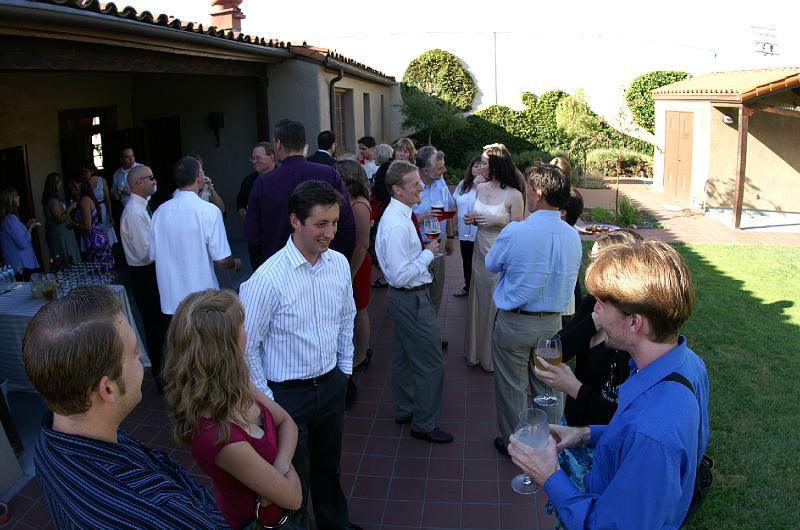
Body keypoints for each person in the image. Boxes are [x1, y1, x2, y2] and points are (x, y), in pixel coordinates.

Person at [509, 240, 710, 529]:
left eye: (603, 303)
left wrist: (549, 474)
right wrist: (586, 433)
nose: (596, 311)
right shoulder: (689, 364)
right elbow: (631, 434)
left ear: (634, 322)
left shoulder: (652, 435)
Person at [22, 285, 227, 528]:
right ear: (107, 389)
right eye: (135, 353)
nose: (141, 360)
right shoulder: (158, 508)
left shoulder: (49, 444)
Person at [240, 180, 360, 530]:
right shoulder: (267, 279)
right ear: (295, 221)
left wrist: (345, 370)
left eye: (335, 222)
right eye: (321, 224)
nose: (330, 233)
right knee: (294, 477)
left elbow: (346, 316)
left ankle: (335, 525)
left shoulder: (337, 264)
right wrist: (270, 401)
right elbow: (247, 348)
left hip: (331, 385)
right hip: (287, 395)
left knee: (329, 467)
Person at [164, 289, 302, 530]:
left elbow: (287, 422)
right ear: (224, 348)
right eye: (242, 326)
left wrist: (279, 469)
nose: (246, 333)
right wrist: (284, 477)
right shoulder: (216, 436)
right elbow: (294, 497)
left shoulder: (238, 385)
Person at [537, 230, 643, 527]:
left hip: (600, 442)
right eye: (590, 260)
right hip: (573, 427)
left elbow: (617, 416)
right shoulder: (594, 305)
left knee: (590, 512)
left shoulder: (629, 340)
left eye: (597, 262)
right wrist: (594, 321)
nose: (588, 270)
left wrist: (573, 387)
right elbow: (559, 345)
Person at [487, 163, 581, 456]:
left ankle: (515, 444)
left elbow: (491, 263)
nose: (525, 191)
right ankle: (550, 442)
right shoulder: (572, 234)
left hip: (516, 322)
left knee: (512, 389)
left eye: (528, 187)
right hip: (553, 323)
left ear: (538, 193)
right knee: (549, 389)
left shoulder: (517, 232)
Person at [375, 160, 453, 444]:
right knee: (432, 363)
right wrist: (429, 253)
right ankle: (424, 423)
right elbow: (400, 274)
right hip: (411, 299)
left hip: (406, 299)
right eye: (415, 184)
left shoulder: (400, 215)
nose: (422, 187)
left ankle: (405, 409)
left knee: (404, 357)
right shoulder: (397, 224)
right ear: (397, 190)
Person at [245, 119, 356, 268]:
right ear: (304, 144)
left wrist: (262, 268)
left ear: (278, 144)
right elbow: (347, 224)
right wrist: (339, 261)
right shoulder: (329, 174)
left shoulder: (263, 183)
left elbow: (253, 237)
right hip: (323, 264)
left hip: (279, 269)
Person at [149, 155, 240, 318]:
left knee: (179, 342)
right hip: (202, 299)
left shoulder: (159, 213)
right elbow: (222, 260)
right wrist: (234, 264)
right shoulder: (209, 211)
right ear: (199, 177)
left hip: (171, 300)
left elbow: (154, 255)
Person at [463, 153, 524, 372]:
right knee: (478, 296)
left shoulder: (514, 195)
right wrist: (473, 219)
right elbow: (477, 213)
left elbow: (519, 230)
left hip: (501, 252)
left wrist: (500, 222)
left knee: (493, 301)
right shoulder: (479, 187)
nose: (481, 166)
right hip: (480, 250)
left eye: (486, 163)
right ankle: (475, 351)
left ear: (498, 166)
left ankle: (491, 357)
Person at [120, 165, 166, 391]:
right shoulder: (135, 213)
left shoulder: (142, 209)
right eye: (150, 178)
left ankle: (164, 371)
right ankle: (162, 375)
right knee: (155, 325)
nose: (154, 181)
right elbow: (145, 253)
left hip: (148, 272)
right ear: (138, 183)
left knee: (159, 324)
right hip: (145, 274)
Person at [334, 160, 374, 375]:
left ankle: (362, 354)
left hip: (356, 263)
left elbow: (363, 244)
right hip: (349, 261)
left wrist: (350, 273)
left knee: (359, 309)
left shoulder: (359, 205)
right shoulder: (348, 200)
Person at [411, 145, 455, 316]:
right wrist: (425, 215)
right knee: (420, 293)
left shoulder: (441, 182)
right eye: (439, 168)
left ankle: (431, 333)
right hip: (419, 245)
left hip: (439, 242)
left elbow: (449, 208)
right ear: (423, 170)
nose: (444, 170)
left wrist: (450, 236)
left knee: (437, 291)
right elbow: (401, 220)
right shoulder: (411, 186)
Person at [370, 138, 416, 289]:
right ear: (394, 151)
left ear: (410, 154)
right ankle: (388, 276)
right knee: (388, 246)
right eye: (399, 150)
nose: (402, 154)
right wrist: (398, 199)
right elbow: (378, 190)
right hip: (387, 212)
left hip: (408, 213)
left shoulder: (412, 169)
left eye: (406, 151)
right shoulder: (386, 167)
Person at [237, 142, 276, 270]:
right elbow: (241, 206)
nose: (254, 161)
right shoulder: (248, 181)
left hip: (279, 238)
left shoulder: (282, 177)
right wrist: (251, 219)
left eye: (258, 158)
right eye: (252, 158)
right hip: (257, 243)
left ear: (271, 157)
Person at [451, 155, 485, 298]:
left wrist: (478, 185)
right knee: (466, 260)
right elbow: (453, 203)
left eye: (480, 166)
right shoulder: (462, 184)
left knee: (479, 263)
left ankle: (479, 291)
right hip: (464, 230)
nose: (478, 169)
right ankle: (468, 287)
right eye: (475, 166)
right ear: (470, 168)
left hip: (480, 231)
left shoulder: (487, 186)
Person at [70, 172, 114, 270]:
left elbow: (87, 225)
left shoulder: (84, 201)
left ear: (79, 185)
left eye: (71, 184)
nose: (69, 186)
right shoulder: (82, 199)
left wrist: (74, 224)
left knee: (99, 273)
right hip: (94, 240)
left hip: (95, 241)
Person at [40, 172, 81, 265]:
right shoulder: (52, 200)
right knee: (64, 258)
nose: (60, 183)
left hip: (63, 232)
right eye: (58, 181)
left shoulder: (55, 198)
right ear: (53, 184)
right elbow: (60, 219)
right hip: (60, 234)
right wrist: (71, 207)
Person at [0, 187, 40, 280]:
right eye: (16, 196)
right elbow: (23, 243)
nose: (19, 197)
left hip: (21, 265)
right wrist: (31, 227)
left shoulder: (9, 219)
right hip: (22, 266)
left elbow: (15, 235)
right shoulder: (10, 219)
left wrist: (26, 226)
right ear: (10, 201)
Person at [82, 161, 118, 247]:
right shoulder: (83, 183)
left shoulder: (101, 181)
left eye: (86, 172)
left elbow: (107, 199)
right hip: (91, 210)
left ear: (92, 171)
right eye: (83, 172)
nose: (84, 174)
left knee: (105, 233)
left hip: (102, 210)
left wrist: (110, 215)